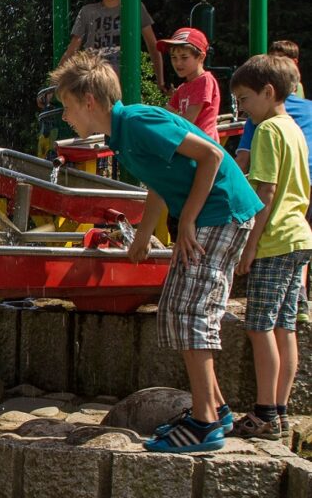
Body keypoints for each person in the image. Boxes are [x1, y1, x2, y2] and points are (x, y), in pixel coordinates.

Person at [50, 50, 263, 453]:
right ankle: (215, 409)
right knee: (177, 309)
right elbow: (159, 181)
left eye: (67, 106)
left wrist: (186, 221)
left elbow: (212, 155)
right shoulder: (122, 136)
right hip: (207, 216)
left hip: (221, 213)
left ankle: (205, 424)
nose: (66, 117)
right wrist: (142, 236)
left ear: (89, 101)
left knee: (192, 310)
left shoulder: (139, 122)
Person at [229, 54, 312, 440]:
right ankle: (278, 409)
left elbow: (265, 190)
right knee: (285, 326)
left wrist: (249, 246)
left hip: (274, 241)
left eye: (245, 99)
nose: (242, 108)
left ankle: (264, 413)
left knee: (259, 327)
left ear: (268, 91)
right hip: (299, 238)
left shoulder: (266, 131)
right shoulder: (294, 128)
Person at [58, 0, 165, 92]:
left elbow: (152, 46)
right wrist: (53, 85)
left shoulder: (134, 8)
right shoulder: (88, 12)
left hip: (124, 81)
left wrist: (160, 81)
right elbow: (72, 50)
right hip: (95, 81)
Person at [159, 27, 221, 143]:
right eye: (174, 57)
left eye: (184, 57)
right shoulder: (182, 88)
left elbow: (188, 121)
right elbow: (165, 114)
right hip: (191, 143)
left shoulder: (205, 81)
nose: (178, 63)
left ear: (201, 57)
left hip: (203, 145)